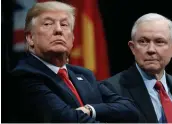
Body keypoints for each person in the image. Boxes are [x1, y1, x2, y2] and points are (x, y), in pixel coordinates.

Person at [9, 1, 143, 123]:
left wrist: (90, 109)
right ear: (30, 38)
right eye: (48, 24)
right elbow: (68, 119)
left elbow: (131, 109)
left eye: (64, 24)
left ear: (72, 38)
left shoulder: (84, 75)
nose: (58, 30)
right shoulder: (24, 75)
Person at [102, 13, 172, 123]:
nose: (151, 49)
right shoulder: (111, 89)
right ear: (132, 48)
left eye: (159, 42)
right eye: (143, 41)